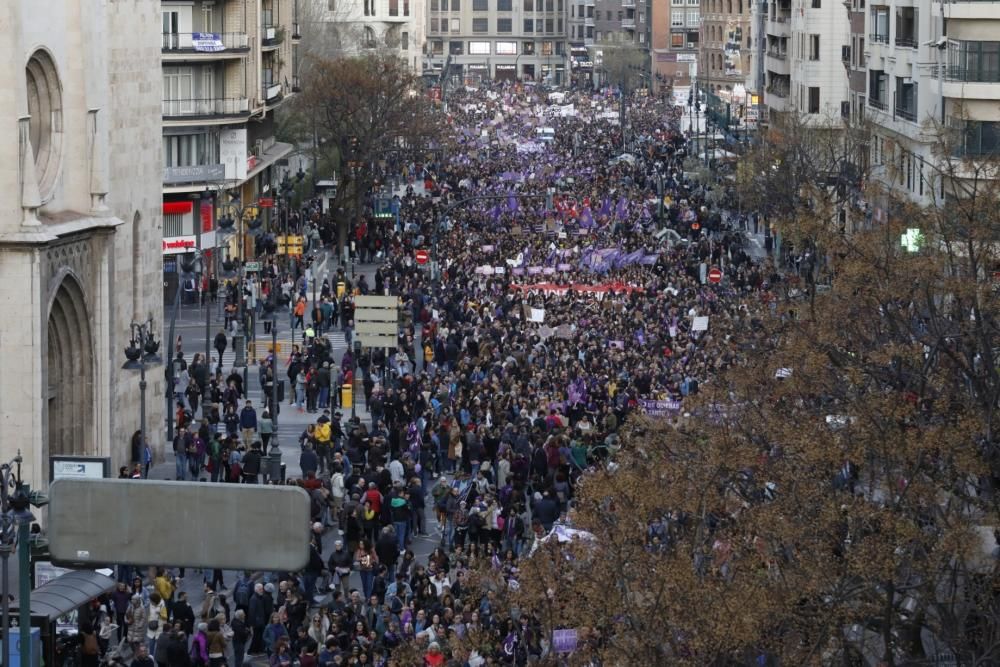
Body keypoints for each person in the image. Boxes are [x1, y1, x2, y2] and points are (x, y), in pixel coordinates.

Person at [247, 583, 273, 655]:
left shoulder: (259, 597)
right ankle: (252, 650)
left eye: (262, 589)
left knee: (259, 637)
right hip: (257, 622)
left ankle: (258, 649)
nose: (262, 590)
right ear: (256, 590)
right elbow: (251, 612)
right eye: (260, 589)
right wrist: (252, 624)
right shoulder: (254, 599)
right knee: (256, 637)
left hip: (260, 621)